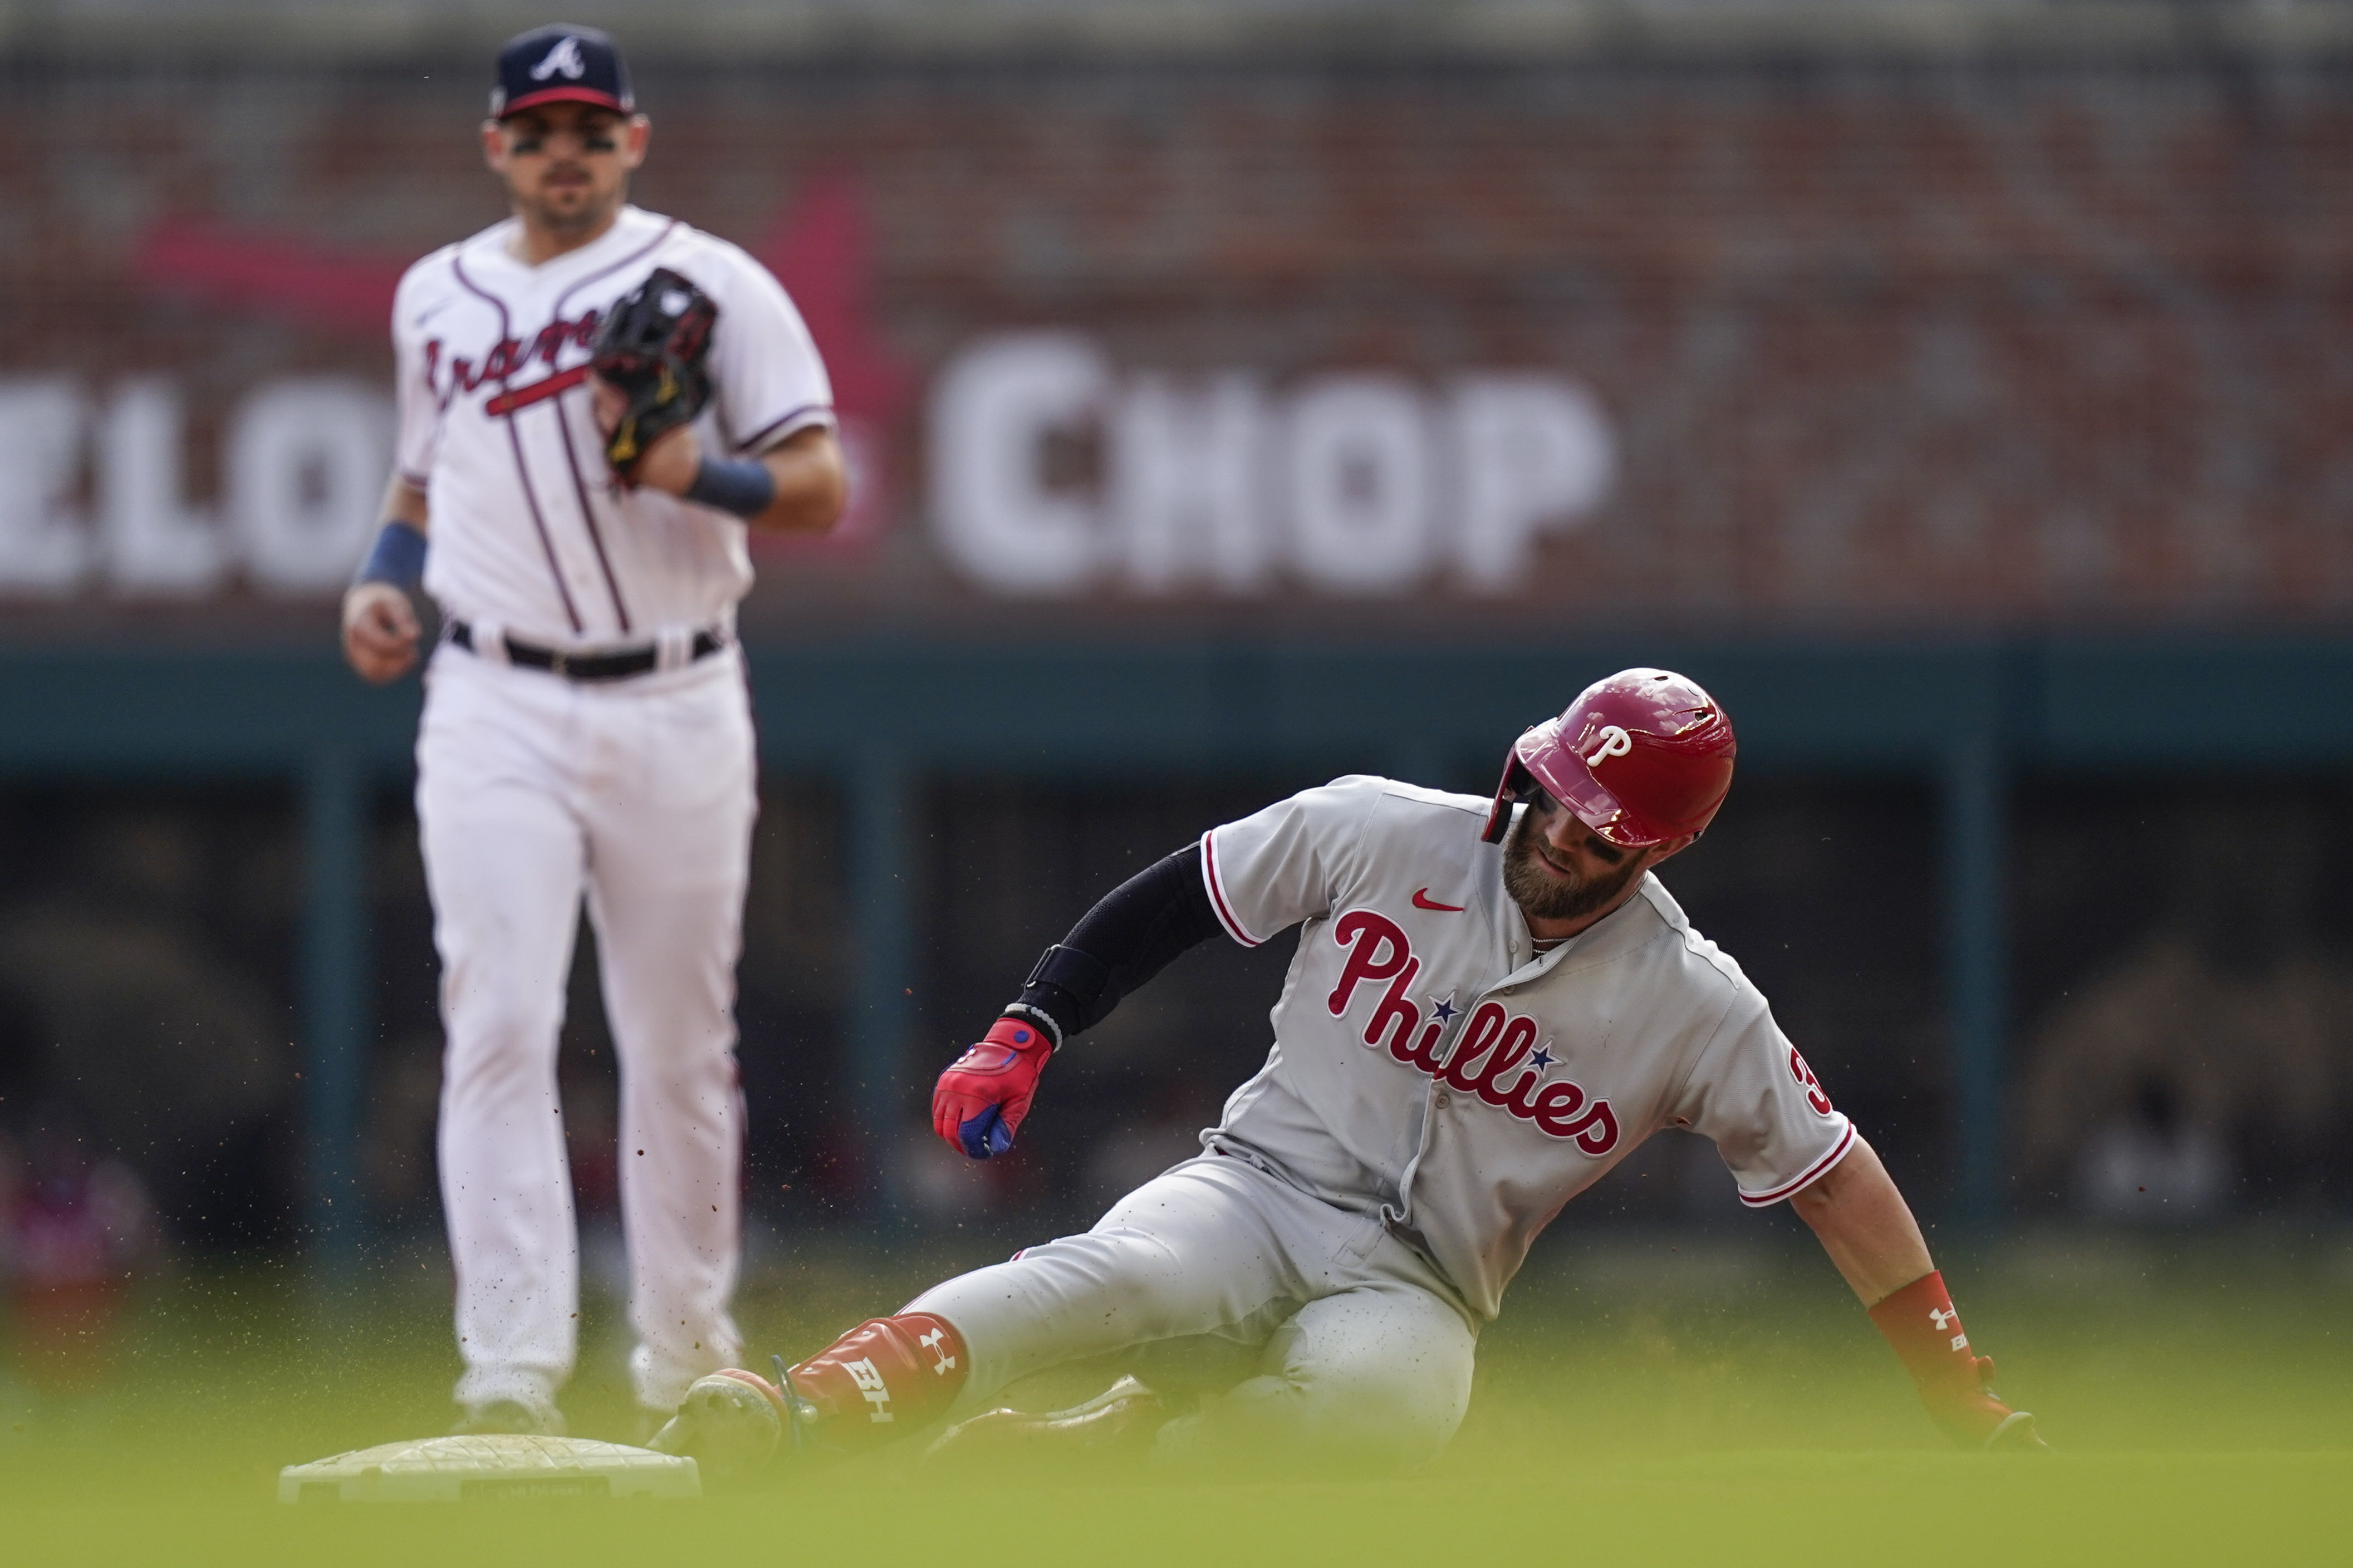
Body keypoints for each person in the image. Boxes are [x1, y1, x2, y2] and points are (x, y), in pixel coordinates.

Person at [653, 669, 2042, 1474]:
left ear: (1662, 847)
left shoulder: (1693, 1003)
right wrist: (1034, 1020)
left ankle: (1107, 1455)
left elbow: (1833, 1175)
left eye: (1605, 823)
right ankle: (804, 1406)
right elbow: (1177, 898)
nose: (1564, 826)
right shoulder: (1379, 829)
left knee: (1384, 1414)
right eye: (1558, 788)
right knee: (1115, 1274)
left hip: (1422, 1280)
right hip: (1258, 1182)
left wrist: (1950, 1384)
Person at [339, 24, 846, 1436]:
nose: (565, 151)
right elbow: (421, 472)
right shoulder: (430, 296)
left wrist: (697, 468)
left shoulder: (713, 281)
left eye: (589, 127)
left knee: (678, 1043)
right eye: (538, 128)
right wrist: (385, 576)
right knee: (494, 1014)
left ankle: (690, 1364)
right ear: (496, 145)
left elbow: (821, 484)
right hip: (491, 694)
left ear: (634, 140)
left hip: (678, 692)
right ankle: (508, 1372)